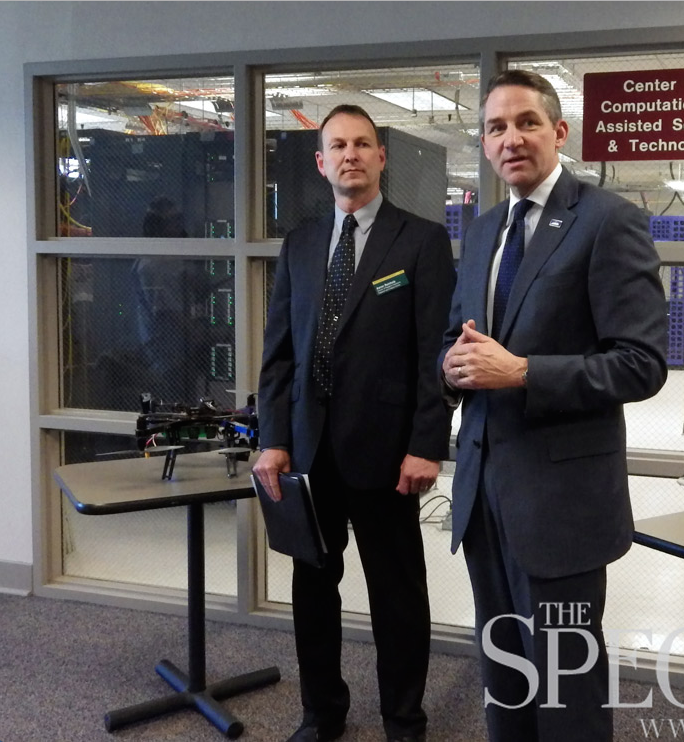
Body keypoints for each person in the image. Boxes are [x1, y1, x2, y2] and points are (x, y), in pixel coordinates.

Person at [440, 70, 670, 742]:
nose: (511, 139)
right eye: (496, 127)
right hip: (484, 495)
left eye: (526, 123)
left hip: (562, 503)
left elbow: (641, 363)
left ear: (559, 132)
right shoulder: (484, 232)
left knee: (567, 689)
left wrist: (522, 372)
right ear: (485, 142)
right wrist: (449, 366)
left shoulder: (607, 222)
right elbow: (454, 337)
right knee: (505, 677)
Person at [254, 105, 456, 742]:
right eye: (338, 146)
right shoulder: (301, 243)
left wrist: (426, 443)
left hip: (388, 453)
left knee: (398, 595)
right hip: (308, 454)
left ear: (381, 157)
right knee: (313, 590)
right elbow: (279, 351)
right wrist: (272, 438)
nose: (351, 155)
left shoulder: (420, 241)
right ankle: (322, 714)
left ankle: (404, 720)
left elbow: (434, 354)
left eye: (363, 144)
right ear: (321, 162)